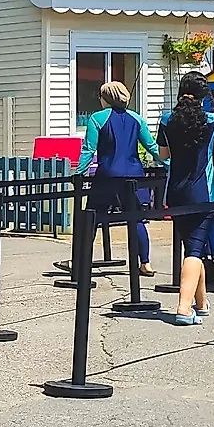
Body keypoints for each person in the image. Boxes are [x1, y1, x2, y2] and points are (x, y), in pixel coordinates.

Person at [158, 78, 214, 324]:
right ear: (203, 96)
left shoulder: (167, 120)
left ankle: (201, 303)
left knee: (191, 246)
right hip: (204, 193)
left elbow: (163, 155)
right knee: (195, 250)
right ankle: (184, 308)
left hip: (175, 192)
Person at [81, 79, 160, 284]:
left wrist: (79, 172)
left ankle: (82, 261)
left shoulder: (97, 118)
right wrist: (169, 163)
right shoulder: (137, 118)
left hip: (107, 175)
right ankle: (145, 262)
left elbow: (89, 149)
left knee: (92, 217)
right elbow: (152, 147)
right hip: (134, 175)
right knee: (137, 218)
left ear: (105, 98)